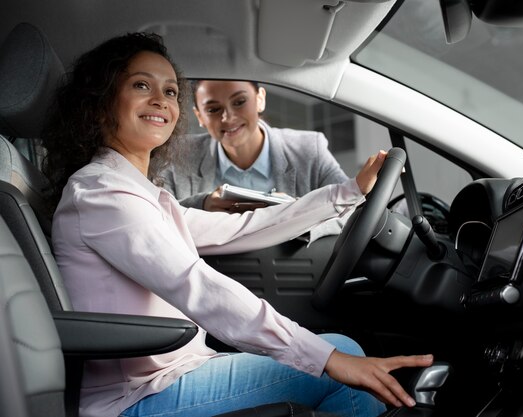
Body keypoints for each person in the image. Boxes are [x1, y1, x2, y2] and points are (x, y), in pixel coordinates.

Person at [42, 32, 433, 417]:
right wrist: (326, 358)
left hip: (175, 372)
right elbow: (195, 284)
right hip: (137, 397)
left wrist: (345, 193)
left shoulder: (137, 192)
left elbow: (246, 227)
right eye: (141, 85)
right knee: (343, 359)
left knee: (342, 355)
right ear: (100, 105)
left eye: (171, 91)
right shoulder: (102, 194)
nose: (161, 100)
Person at [161, 79, 349, 212]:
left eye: (239, 102)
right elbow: (155, 215)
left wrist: (297, 210)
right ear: (200, 116)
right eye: (213, 109)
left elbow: (348, 207)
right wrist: (201, 205)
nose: (228, 117)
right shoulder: (180, 154)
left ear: (260, 100)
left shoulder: (309, 149)